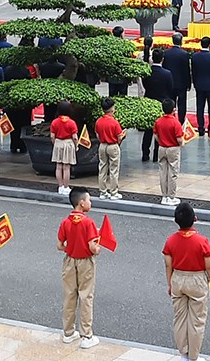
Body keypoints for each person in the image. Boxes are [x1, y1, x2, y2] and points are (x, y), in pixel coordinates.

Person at [163, 200, 210, 361]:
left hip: (178, 278)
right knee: (197, 320)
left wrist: (170, 283)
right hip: (197, 280)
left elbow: (168, 264)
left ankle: (184, 353)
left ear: (176, 221)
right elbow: (209, 266)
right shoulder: (202, 241)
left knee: (180, 318)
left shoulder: (170, 241)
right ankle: (194, 356)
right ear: (194, 219)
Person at [58, 188, 103, 345]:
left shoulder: (65, 222)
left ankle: (68, 332)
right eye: (89, 200)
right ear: (81, 203)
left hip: (69, 261)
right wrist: (97, 249)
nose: (90, 203)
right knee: (86, 296)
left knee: (70, 296)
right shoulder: (88, 222)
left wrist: (70, 248)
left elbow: (59, 245)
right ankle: (86, 335)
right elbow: (92, 246)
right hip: (85, 262)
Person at [153, 101, 187, 206]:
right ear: (174, 109)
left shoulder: (158, 121)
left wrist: (161, 142)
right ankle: (171, 196)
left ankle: (164, 196)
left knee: (163, 172)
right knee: (173, 173)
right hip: (173, 149)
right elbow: (179, 139)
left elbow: (155, 135)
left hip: (162, 148)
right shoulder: (175, 123)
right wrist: (183, 143)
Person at [93, 97, 125, 198]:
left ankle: (103, 192)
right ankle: (114, 192)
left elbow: (97, 134)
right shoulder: (114, 122)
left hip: (102, 146)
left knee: (102, 168)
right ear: (112, 109)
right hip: (113, 146)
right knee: (113, 169)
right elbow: (119, 137)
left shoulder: (98, 121)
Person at [190, 37, 210, 132]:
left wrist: (195, 84)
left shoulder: (195, 56)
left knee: (200, 107)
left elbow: (194, 72)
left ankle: (200, 128)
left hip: (199, 85)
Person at [49, 104, 80, 195]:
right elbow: (74, 137)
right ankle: (66, 187)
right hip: (68, 143)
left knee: (58, 167)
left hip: (58, 142)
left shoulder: (54, 122)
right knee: (66, 167)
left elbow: (52, 136)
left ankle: (60, 186)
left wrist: (55, 143)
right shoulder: (71, 123)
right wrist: (76, 146)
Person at [162, 32, 192, 120]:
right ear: (181, 41)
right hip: (181, 83)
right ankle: (181, 120)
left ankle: (171, 119)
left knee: (171, 102)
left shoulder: (166, 53)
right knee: (182, 103)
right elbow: (187, 70)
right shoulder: (184, 54)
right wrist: (188, 83)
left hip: (170, 82)